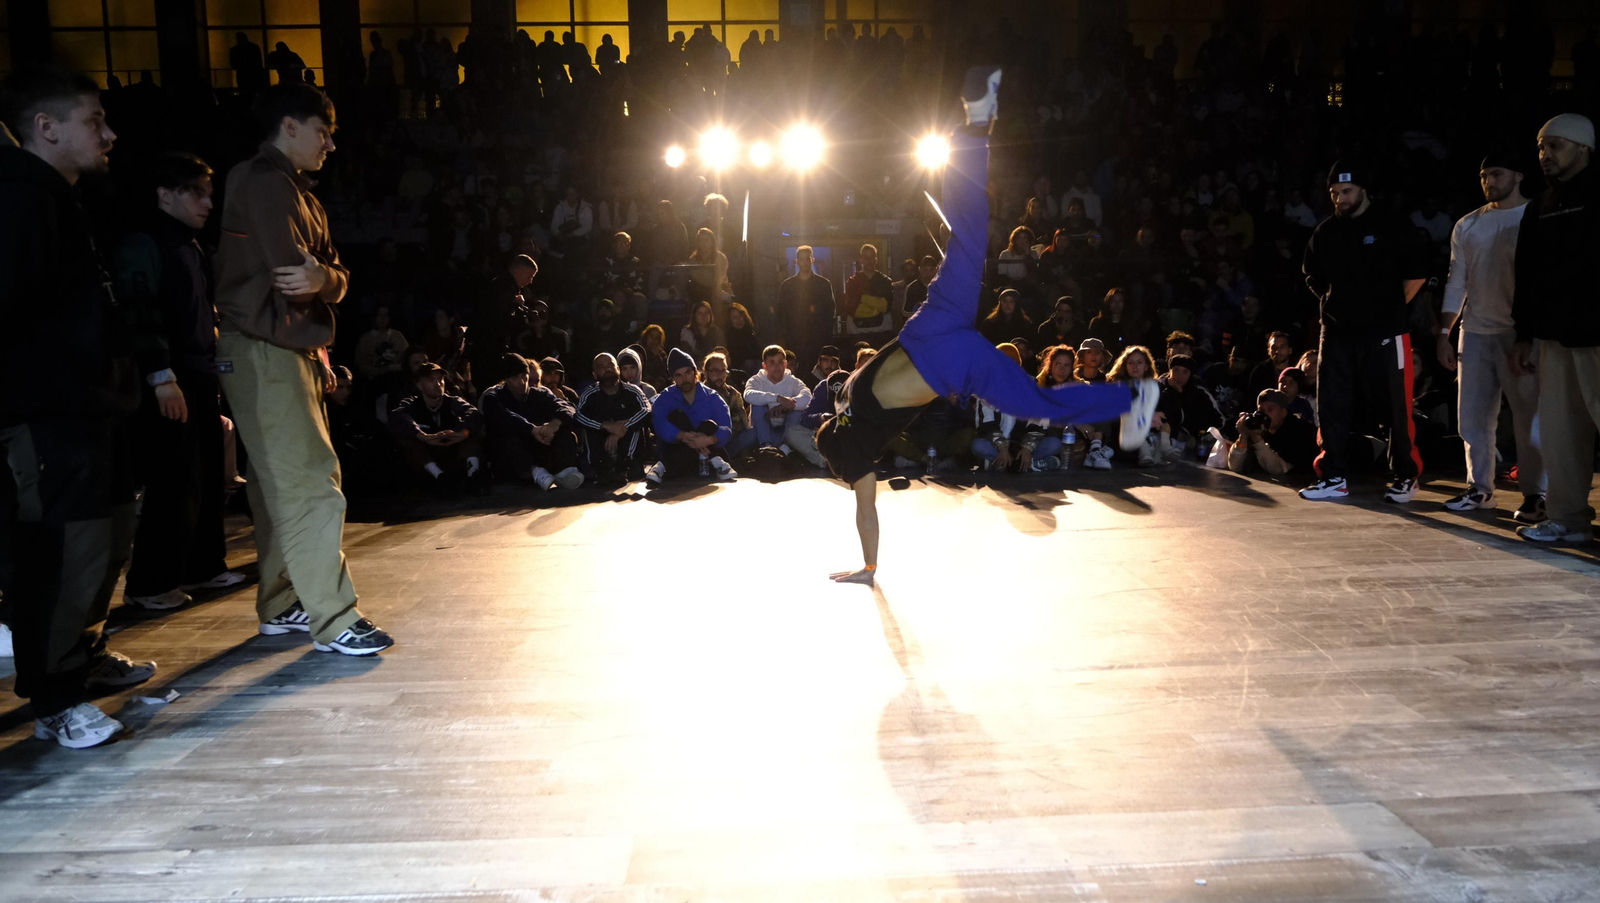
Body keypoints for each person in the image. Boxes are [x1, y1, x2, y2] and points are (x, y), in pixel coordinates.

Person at [814, 68, 1158, 586]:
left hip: (948, 364)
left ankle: (1134, 396)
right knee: (967, 236)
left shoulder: (857, 452)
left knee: (1042, 404)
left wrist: (867, 567)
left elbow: (867, 512)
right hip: (927, 326)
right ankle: (973, 129)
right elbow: (853, 389)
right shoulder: (846, 396)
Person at [0, 65, 153, 748]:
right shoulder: (16, 199)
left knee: (108, 536)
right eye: (95, 120)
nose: (110, 133)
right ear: (46, 127)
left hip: (94, 405)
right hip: (49, 412)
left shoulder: (60, 197)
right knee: (62, 547)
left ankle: (82, 659)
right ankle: (54, 696)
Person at [214, 81, 393, 655]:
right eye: (323, 131)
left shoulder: (296, 192)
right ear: (289, 125)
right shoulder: (262, 181)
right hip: (265, 349)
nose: (330, 145)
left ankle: (281, 603)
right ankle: (334, 617)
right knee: (312, 480)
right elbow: (300, 277)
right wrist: (323, 283)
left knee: (275, 487)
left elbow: (330, 274)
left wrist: (324, 282)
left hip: (283, 350)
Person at [114, 151, 242, 612]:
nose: (207, 202)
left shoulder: (188, 244)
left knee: (207, 473)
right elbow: (138, 310)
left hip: (198, 372)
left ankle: (203, 565)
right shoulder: (144, 242)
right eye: (197, 192)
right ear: (165, 194)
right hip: (169, 376)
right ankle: (150, 582)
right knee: (173, 478)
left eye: (209, 193)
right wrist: (161, 375)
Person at [1298, 159, 1429, 504]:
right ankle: (1334, 477)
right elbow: (1312, 276)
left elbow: (1417, 273)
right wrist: (1337, 306)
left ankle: (1406, 476)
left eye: (1346, 191)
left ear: (1363, 190)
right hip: (1338, 333)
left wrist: (1388, 312)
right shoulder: (1326, 232)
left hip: (1386, 333)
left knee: (1395, 408)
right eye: (1334, 193)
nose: (1340, 198)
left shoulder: (1392, 224)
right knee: (1332, 407)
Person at [1435, 152, 1546, 519]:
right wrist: (1445, 331)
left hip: (1519, 332)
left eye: (1495, 174)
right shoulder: (1468, 225)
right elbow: (1457, 281)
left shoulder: (1535, 216)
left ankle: (1537, 494)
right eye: (1483, 175)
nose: (1488, 181)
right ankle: (1480, 489)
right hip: (1476, 331)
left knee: (1529, 417)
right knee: (1472, 418)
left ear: (1517, 175)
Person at [1510, 114, 1600, 542]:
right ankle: (1568, 518)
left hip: (1596, 334)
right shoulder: (1539, 206)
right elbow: (1526, 275)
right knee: (1562, 434)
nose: (1545, 155)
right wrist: (1524, 333)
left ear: (1584, 148)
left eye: (1556, 146)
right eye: (1542, 147)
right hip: (1553, 335)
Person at [481, 354, 584, 489]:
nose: (522, 382)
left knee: (566, 432)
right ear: (506, 379)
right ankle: (534, 471)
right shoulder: (493, 397)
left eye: (524, 376)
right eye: (515, 378)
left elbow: (567, 407)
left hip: (540, 449)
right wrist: (532, 429)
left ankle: (563, 471)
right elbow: (505, 417)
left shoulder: (539, 394)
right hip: (513, 459)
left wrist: (553, 424)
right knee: (506, 435)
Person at [645, 348, 737, 483]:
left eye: (687, 373)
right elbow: (658, 423)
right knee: (677, 416)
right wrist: (681, 435)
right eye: (678, 375)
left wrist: (709, 440)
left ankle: (663, 465)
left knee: (709, 425)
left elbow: (726, 428)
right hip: (677, 451)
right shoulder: (666, 397)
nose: (684, 379)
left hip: (704, 454)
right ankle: (715, 459)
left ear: (695, 373)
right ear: (673, 378)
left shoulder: (712, 397)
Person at [388, 362, 484, 490]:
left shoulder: (452, 401)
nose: (438, 384)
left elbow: (473, 413)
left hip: (452, 451)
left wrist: (463, 433)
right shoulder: (412, 404)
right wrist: (422, 436)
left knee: (472, 435)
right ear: (419, 385)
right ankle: (440, 477)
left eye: (440, 379)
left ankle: (473, 477)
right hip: (430, 455)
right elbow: (398, 417)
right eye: (431, 380)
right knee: (408, 440)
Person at [575, 353, 652, 482]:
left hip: (628, 446)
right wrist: (605, 426)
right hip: (601, 444)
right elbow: (579, 415)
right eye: (601, 366)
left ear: (617, 369)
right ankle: (599, 467)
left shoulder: (633, 391)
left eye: (611, 365)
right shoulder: (589, 394)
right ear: (594, 374)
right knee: (591, 426)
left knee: (635, 424)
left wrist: (621, 429)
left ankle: (625, 465)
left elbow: (647, 410)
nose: (607, 369)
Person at [1216, 389, 1318, 476]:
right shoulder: (1258, 426)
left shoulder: (1299, 430)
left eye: (1270, 409)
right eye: (1261, 410)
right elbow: (1235, 466)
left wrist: (1257, 439)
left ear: (1283, 412)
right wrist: (1243, 435)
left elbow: (1279, 469)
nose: (1265, 415)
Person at [743, 344, 812, 451]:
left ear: (785, 364)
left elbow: (807, 397)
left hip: (786, 431)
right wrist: (777, 398)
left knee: (797, 410)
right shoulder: (756, 380)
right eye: (772, 362)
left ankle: (786, 447)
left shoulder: (793, 381)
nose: (777, 366)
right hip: (762, 431)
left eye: (780, 362)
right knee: (757, 406)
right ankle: (766, 447)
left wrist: (785, 405)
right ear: (764, 365)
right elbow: (748, 394)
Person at [777, 245, 836, 367]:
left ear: (812, 259)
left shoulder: (823, 284)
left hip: (818, 339)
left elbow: (830, 311)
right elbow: (782, 313)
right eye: (801, 259)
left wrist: (826, 336)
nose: (804, 262)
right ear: (797, 261)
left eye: (807, 258)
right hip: (795, 339)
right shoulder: (787, 286)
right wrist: (785, 338)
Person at [701, 351, 756, 459]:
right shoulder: (698, 392)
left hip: (729, 442)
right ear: (705, 372)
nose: (719, 375)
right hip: (704, 442)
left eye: (723, 371)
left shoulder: (733, 394)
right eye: (715, 371)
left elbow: (742, 423)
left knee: (752, 433)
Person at [842, 243, 894, 334]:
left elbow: (885, 307)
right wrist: (876, 304)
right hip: (857, 331)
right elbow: (852, 308)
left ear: (876, 259)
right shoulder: (852, 282)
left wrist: (861, 298)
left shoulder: (885, 281)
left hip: (881, 332)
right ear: (861, 259)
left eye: (872, 256)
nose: (869, 260)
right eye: (866, 257)